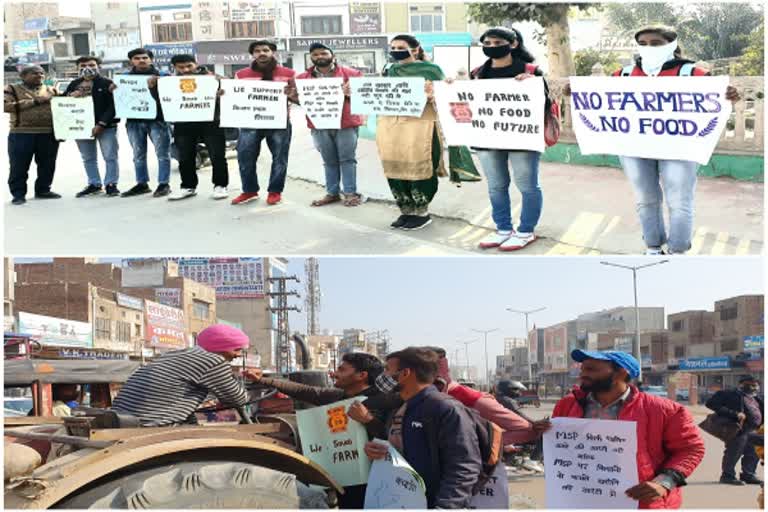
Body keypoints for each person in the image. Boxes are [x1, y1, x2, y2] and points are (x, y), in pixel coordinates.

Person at [565, 26, 740, 255]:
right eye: (643, 43)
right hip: (634, 147)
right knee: (645, 198)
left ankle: (677, 250)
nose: (649, 47)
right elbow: (603, 99)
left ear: (671, 44)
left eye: (655, 43)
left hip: (679, 148)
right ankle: (653, 246)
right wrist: (578, 92)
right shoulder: (623, 75)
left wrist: (729, 95)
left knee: (678, 201)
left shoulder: (693, 74)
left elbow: (714, 102)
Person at [553, 350, 705, 509]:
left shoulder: (664, 410)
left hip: (640, 503)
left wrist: (664, 482)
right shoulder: (567, 405)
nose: (582, 375)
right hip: (580, 499)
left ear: (620, 373)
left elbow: (691, 449)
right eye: (582, 369)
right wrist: (542, 433)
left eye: (591, 369)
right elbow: (558, 448)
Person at [251, 352, 385, 509]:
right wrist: (263, 380)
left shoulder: (383, 401)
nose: (334, 374)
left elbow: (393, 436)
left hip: (377, 481)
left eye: (342, 370)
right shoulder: (339, 397)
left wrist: (369, 420)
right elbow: (305, 391)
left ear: (361, 375)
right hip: (346, 478)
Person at [363, 347, 483, 509]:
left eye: (387, 370)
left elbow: (464, 467)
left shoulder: (445, 409)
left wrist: (445, 507)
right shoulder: (400, 409)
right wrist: (379, 451)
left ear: (405, 373)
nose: (383, 376)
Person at [472, 27, 548, 252]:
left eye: (497, 43)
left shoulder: (530, 70)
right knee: (496, 186)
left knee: (527, 185)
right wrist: (452, 86)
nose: (492, 47)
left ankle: (526, 231)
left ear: (513, 44)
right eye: (487, 43)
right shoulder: (477, 73)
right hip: (487, 138)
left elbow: (545, 103)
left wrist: (533, 84)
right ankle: (503, 229)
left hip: (522, 138)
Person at [111, 324, 257, 426]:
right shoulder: (213, 361)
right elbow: (238, 399)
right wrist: (254, 382)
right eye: (237, 349)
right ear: (222, 347)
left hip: (124, 418)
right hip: (152, 424)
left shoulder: (177, 354)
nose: (238, 355)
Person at [376, 35, 447, 231]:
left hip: (421, 126)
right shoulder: (388, 70)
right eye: (393, 47)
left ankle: (422, 212)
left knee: (419, 165)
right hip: (392, 125)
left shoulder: (431, 70)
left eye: (401, 47)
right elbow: (378, 93)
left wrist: (434, 93)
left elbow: (445, 96)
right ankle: (406, 210)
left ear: (415, 50)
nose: (396, 50)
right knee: (395, 164)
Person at [292, 43, 365, 208]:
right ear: (311, 57)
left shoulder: (352, 74)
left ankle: (350, 193)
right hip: (319, 124)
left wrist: (351, 94)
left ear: (332, 55)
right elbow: (303, 102)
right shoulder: (302, 79)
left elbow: (364, 98)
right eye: (315, 54)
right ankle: (332, 193)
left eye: (323, 53)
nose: (320, 57)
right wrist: (292, 97)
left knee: (347, 159)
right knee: (329, 160)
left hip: (346, 123)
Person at [231, 40, 296, 206]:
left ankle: (275, 191)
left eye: (265, 50)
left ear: (272, 52)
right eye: (257, 51)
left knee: (280, 158)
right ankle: (249, 190)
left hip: (279, 122)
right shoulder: (241, 74)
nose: (262, 53)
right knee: (245, 156)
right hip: (249, 122)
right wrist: (224, 94)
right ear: (252, 55)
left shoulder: (289, 73)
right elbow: (234, 97)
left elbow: (298, 97)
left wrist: (291, 95)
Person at [166, 54, 230, 201]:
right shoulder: (169, 82)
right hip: (184, 122)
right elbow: (162, 100)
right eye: (181, 67)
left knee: (217, 155)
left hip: (211, 121)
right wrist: (153, 88)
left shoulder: (214, 78)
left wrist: (221, 93)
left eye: (189, 66)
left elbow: (229, 94)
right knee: (185, 156)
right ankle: (188, 186)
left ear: (196, 64)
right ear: (174, 67)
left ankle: (220, 186)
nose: (186, 69)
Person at [117, 48, 173, 198]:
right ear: (131, 61)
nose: (141, 60)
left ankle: (164, 184)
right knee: (138, 155)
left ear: (151, 59)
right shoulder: (124, 79)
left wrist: (163, 85)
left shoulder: (164, 76)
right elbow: (119, 98)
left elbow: (172, 97)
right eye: (137, 58)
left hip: (158, 120)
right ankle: (142, 183)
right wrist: (114, 89)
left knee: (162, 154)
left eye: (144, 57)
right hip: (134, 121)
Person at [4, 65, 61, 205]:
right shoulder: (11, 89)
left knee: (47, 164)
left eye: (42, 73)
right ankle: (18, 194)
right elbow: (5, 106)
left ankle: (43, 190)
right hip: (21, 134)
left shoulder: (51, 90)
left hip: (48, 134)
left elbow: (65, 107)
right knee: (19, 165)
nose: (39, 75)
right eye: (34, 73)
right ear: (23, 76)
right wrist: (35, 101)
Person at [64, 56, 120, 198]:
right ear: (77, 68)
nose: (87, 68)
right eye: (83, 65)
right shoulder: (74, 84)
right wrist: (71, 95)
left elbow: (114, 106)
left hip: (106, 127)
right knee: (88, 157)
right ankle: (94, 184)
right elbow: (63, 103)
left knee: (110, 156)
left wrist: (102, 123)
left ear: (98, 66)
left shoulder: (108, 83)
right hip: (81, 127)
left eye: (91, 64)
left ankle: (111, 184)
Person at [706, 375, 764, 485]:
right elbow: (711, 404)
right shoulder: (728, 394)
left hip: (753, 430)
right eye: (751, 385)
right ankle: (727, 476)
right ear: (742, 384)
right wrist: (735, 414)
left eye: (756, 385)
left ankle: (748, 474)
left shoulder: (756, 398)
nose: (754, 388)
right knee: (734, 451)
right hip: (737, 429)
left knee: (754, 451)